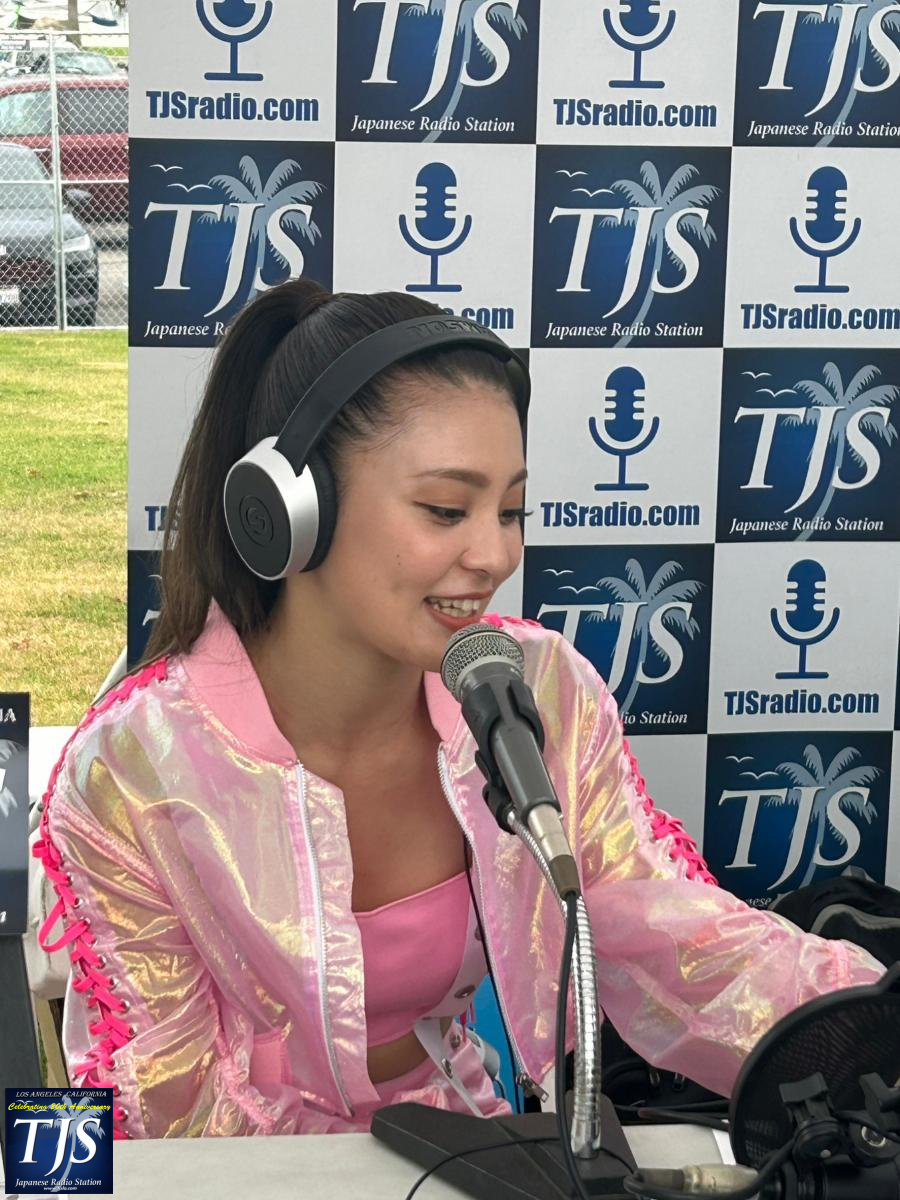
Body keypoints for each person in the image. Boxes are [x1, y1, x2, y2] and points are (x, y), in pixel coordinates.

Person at [34, 279, 884, 1141]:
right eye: (447, 509)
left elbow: (670, 931)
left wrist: (869, 1029)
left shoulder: (535, 688)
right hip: (247, 1172)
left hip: (467, 1144)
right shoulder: (131, 773)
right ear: (292, 514)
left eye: (511, 510)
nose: (495, 554)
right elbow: (165, 1103)